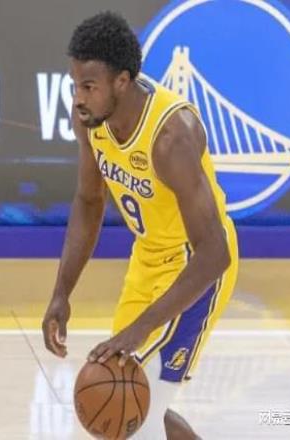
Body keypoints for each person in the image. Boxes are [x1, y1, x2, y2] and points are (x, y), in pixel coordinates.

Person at [42, 11, 239, 439]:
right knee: (128, 405)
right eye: (75, 85)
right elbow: (89, 201)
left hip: (195, 268)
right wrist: (61, 293)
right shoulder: (91, 121)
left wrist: (141, 327)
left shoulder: (171, 138)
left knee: (135, 415)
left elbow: (215, 253)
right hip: (147, 261)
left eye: (88, 86)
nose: (78, 98)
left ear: (122, 82)